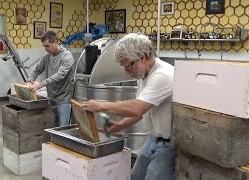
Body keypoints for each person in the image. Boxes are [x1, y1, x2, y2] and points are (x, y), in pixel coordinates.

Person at [82, 33, 175, 180]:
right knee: (135, 176)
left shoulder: (163, 75)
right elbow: (142, 111)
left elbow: (138, 107)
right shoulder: (143, 73)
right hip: (153, 139)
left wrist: (100, 106)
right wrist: (121, 124)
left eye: (128, 66)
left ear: (142, 57)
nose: (126, 71)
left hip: (168, 145)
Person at [27, 31, 74, 127]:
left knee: (62, 129)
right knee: (51, 126)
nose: (45, 49)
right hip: (50, 98)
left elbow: (60, 75)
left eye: (47, 46)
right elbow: (37, 69)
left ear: (55, 42)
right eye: (44, 46)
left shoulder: (67, 56)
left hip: (63, 100)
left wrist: (41, 84)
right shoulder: (47, 57)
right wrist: (29, 80)